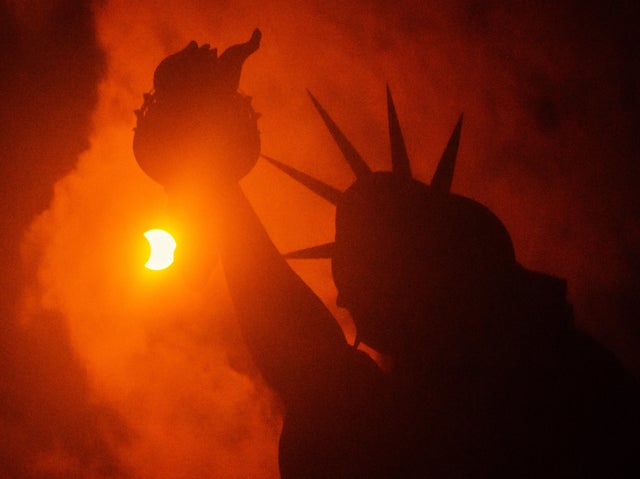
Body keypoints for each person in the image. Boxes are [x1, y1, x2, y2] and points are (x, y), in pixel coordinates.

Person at [133, 30, 639, 478]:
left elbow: (305, 357)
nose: (346, 304)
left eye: (353, 279)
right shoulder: (559, 373)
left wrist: (213, 173)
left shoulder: (475, 414)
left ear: (422, 276)